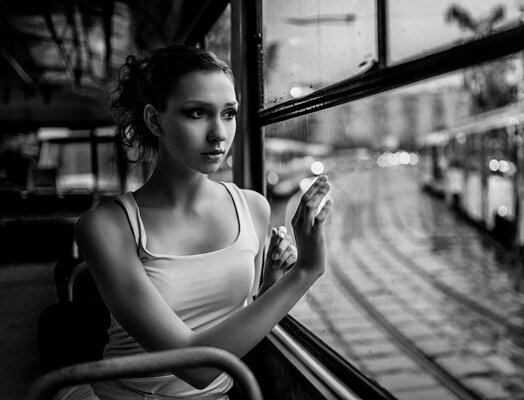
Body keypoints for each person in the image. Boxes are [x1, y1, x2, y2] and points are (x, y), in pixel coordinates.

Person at [73, 45, 332, 399]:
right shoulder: (105, 227)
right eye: (197, 113)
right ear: (154, 120)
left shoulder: (253, 208)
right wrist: (307, 271)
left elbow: (237, 323)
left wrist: (271, 286)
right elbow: (195, 366)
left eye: (229, 114)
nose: (219, 134)